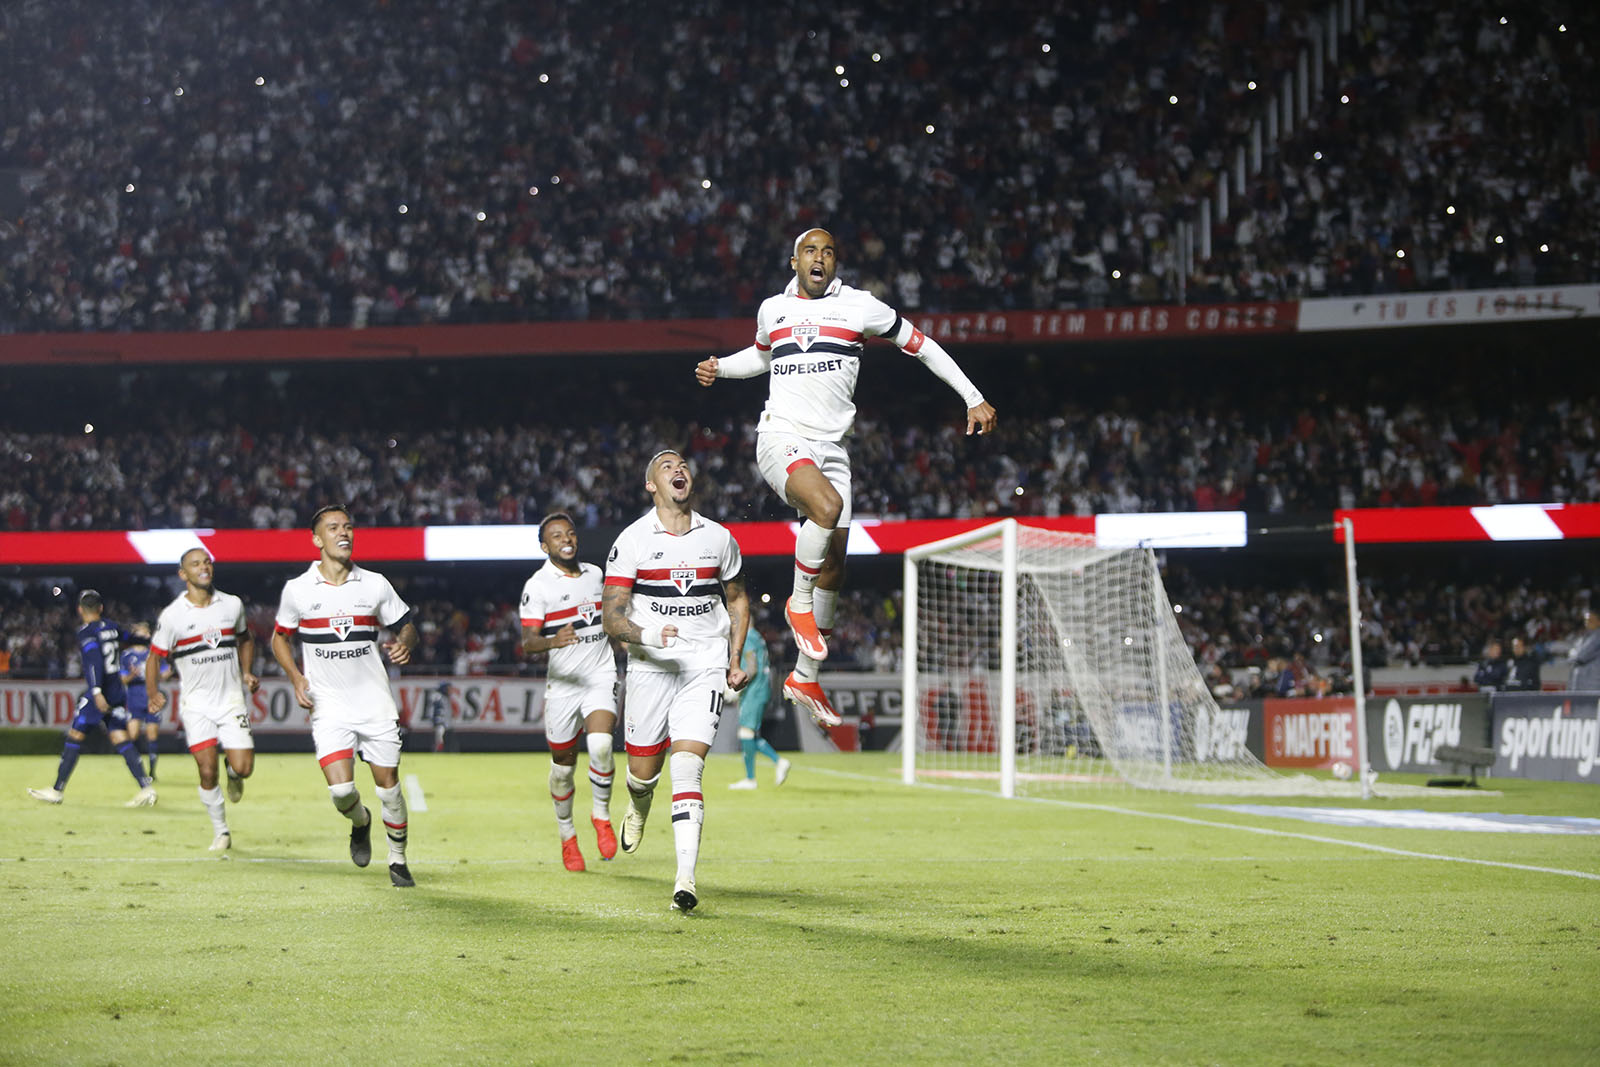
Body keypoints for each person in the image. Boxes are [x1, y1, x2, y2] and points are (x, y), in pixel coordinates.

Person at [696, 227, 996, 728]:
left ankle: (806, 674)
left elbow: (923, 346)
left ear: (835, 262)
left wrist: (972, 395)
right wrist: (720, 368)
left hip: (833, 450)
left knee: (835, 562)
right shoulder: (773, 309)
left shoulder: (861, 307)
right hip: (780, 436)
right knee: (826, 509)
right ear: (794, 261)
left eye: (828, 252)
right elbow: (762, 356)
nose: (820, 258)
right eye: (810, 251)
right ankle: (799, 603)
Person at [602, 450, 749, 912]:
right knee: (642, 775)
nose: (677, 470)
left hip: (703, 665)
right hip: (650, 666)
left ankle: (684, 878)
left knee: (688, 768)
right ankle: (639, 804)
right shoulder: (632, 540)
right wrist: (647, 634)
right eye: (666, 467)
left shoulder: (719, 538)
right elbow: (611, 615)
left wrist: (734, 657)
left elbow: (739, 600)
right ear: (651, 486)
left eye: (682, 464)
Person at [271, 506, 421, 887]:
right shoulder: (298, 590)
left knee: (390, 789)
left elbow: (407, 627)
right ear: (317, 539)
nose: (344, 533)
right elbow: (279, 637)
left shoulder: (374, 584)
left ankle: (398, 860)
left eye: (349, 527)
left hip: (374, 703)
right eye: (334, 528)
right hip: (329, 705)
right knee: (341, 791)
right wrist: (295, 676)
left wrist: (404, 643)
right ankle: (361, 822)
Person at [520, 512, 620, 872]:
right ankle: (568, 838)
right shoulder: (539, 585)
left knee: (602, 745)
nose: (567, 539)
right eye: (557, 536)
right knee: (563, 769)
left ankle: (601, 815)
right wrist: (552, 640)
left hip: (599, 672)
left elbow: (611, 620)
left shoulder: (596, 574)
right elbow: (528, 642)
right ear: (545, 546)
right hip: (563, 685)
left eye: (571, 533)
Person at [145, 548, 261, 851]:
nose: (204, 567)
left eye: (207, 561)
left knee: (244, 767)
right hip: (197, 705)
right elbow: (154, 658)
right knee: (207, 771)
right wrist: (153, 693)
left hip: (231, 699)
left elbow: (246, 639)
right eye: (195, 564)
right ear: (183, 575)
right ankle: (221, 831)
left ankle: (234, 773)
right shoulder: (172, 616)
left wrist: (247, 671)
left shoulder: (232, 605)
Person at [28, 590, 157, 806]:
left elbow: (94, 662)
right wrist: (156, 640)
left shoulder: (86, 632)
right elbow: (133, 638)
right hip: (117, 690)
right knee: (119, 736)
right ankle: (146, 788)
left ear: (80, 610)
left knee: (75, 734)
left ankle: (57, 790)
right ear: (101, 608)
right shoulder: (113, 628)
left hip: (101, 692)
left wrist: (96, 692)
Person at [727, 625, 791, 790]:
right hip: (758, 690)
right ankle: (773, 765)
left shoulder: (747, 637)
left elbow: (752, 667)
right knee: (747, 733)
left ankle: (753, 778)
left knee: (745, 732)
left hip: (754, 691)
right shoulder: (756, 636)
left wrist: (737, 687)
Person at [120, 622, 169, 782]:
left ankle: (152, 772)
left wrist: (165, 673)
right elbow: (123, 679)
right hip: (134, 699)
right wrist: (133, 675)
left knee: (152, 736)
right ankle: (138, 769)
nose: (146, 635)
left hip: (151, 699)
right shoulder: (126, 655)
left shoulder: (153, 654)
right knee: (132, 735)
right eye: (143, 632)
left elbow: (163, 674)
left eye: (147, 633)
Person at [1568, 609, 1600, 691]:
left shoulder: (1597, 636)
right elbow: (1570, 654)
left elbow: (1581, 656)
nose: (1587, 623)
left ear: (1598, 622)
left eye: (1590, 620)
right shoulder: (1584, 636)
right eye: (1586, 620)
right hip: (1579, 684)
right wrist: (1573, 654)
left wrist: (1574, 653)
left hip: (1592, 685)